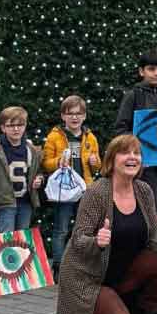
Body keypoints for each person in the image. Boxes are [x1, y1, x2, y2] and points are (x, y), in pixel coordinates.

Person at [56, 135, 157, 314]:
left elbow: (155, 235)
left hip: (123, 272)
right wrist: (97, 241)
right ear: (111, 160)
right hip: (91, 278)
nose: (132, 157)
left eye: (136, 153)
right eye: (125, 152)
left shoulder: (143, 191)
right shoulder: (96, 193)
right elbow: (79, 239)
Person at [42, 95, 101, 278]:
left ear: (84, 116)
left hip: (85, 189)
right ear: (63, 116)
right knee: (61, 229)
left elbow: (98, 165)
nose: (74, 118)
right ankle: (59, 266)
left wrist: (95, 161)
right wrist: (58, 162)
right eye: (70, 114)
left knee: (85, 229)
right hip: (65, 191)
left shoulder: (90, 137)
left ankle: (82, 264)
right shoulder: (54, 137)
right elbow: (45, 162)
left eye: (78, 114)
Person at [114, 49, 157, 215]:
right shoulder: (133, 95)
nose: (156, 73)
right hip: (142, 161)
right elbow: (121, 128)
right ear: (142, 71)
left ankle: (155, 238)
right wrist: (136, 149)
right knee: (147, 203)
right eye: (151, 69)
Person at [0, 106, 43, 232]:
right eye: (11, 126)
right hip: (5, 203)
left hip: (25, 202)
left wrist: (39, 179)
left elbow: (37, 172)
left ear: (25, 126)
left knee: (21, 239)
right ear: (3, 128)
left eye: (20, 125)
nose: (16, 129)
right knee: (6, 239)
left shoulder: (30, 149)